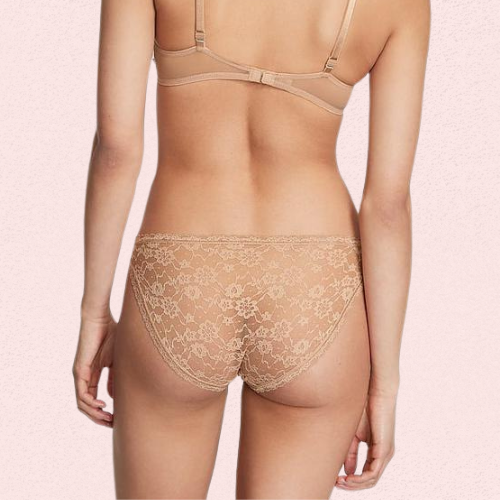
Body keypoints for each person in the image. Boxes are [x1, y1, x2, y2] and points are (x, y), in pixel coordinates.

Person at [72, 0, 430, 497]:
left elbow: (116, 149)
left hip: (182, 277)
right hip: (314, 291)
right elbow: (387, 206)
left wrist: (94, 310)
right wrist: (384, 384)